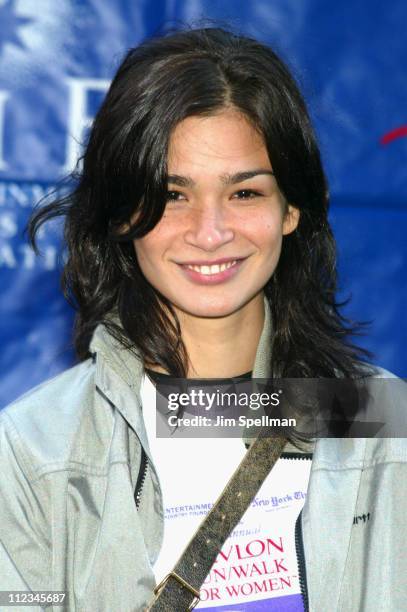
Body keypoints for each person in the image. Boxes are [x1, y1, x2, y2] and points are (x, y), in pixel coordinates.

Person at [0, 27, 405, 612]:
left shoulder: (381, 422)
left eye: (244, 193)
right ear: (121, 214)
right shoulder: (37, 450)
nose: (210, 233)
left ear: (291, 209)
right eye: (171, 194)